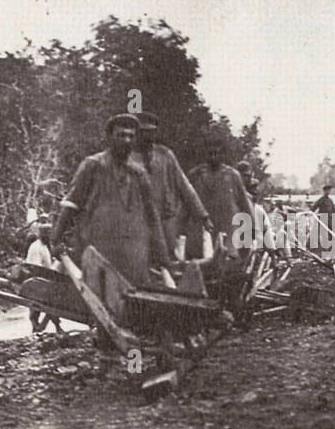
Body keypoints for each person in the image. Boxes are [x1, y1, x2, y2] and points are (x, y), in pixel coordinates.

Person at [55, 114, 170, 287]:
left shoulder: (139, 174)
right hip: (98, 255)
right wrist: (56, 239)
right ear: (109, 137)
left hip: (132, 262)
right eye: (121, 135)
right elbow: (71, 205)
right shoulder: (93, 166)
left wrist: (163, 258)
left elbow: (152, 217)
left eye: (131, 136)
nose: (127, 140)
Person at [131, 112, 212, 257]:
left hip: (164, 220)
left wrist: (203, 216)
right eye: (144, 132)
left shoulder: (165, 155)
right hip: (135, 220)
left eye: (152, 132)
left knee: (167, 258)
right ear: (136, 133)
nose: (148, 137)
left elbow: (184, 186)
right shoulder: (126, 156)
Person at [186, 139, 254, 264]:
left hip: (228, 235)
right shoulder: (196, 175)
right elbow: (185, 205)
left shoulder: (233, 176)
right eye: (210, 153)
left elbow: (245, 207)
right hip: (201, 236)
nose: (213, 157)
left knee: (228, 269)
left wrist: (250, 232)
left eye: (216, 153)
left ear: (223, 155)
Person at [24, 216, 64, 334]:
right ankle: (37, 327)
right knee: (38, 305)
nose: (50, 236)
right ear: (43, 234)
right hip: (37, 279)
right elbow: (36, 268)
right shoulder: (36, 247)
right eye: (48, 233)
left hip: (47, 278)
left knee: (50, 303)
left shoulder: (46, 246)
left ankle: (54, 327)